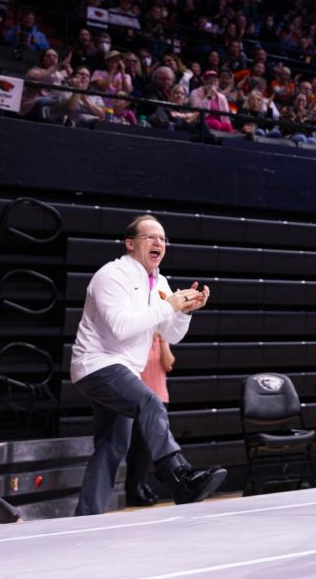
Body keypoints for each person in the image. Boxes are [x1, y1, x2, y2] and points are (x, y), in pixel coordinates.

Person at [70, 214, 225, 515]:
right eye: (150, 237)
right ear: (130, 244)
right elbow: (121, 326)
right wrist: (169, 306)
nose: (159, 243)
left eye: (163, 238)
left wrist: (184, 313)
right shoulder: (111, 275)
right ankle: (180, 477)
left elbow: (171, 335)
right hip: (97, 364)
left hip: (123, 369)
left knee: (111, 446)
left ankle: (86, 518)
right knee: (150, 402)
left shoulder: (161, 282)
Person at [125, 333, 175, 506]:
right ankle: (133, 487)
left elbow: (168, 363)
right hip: (140, 398)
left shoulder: (162, 339)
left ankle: (141, 483)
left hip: (160, 397)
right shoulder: (138, 337)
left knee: (148, 448)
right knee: (138, 447)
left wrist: (162, 341)